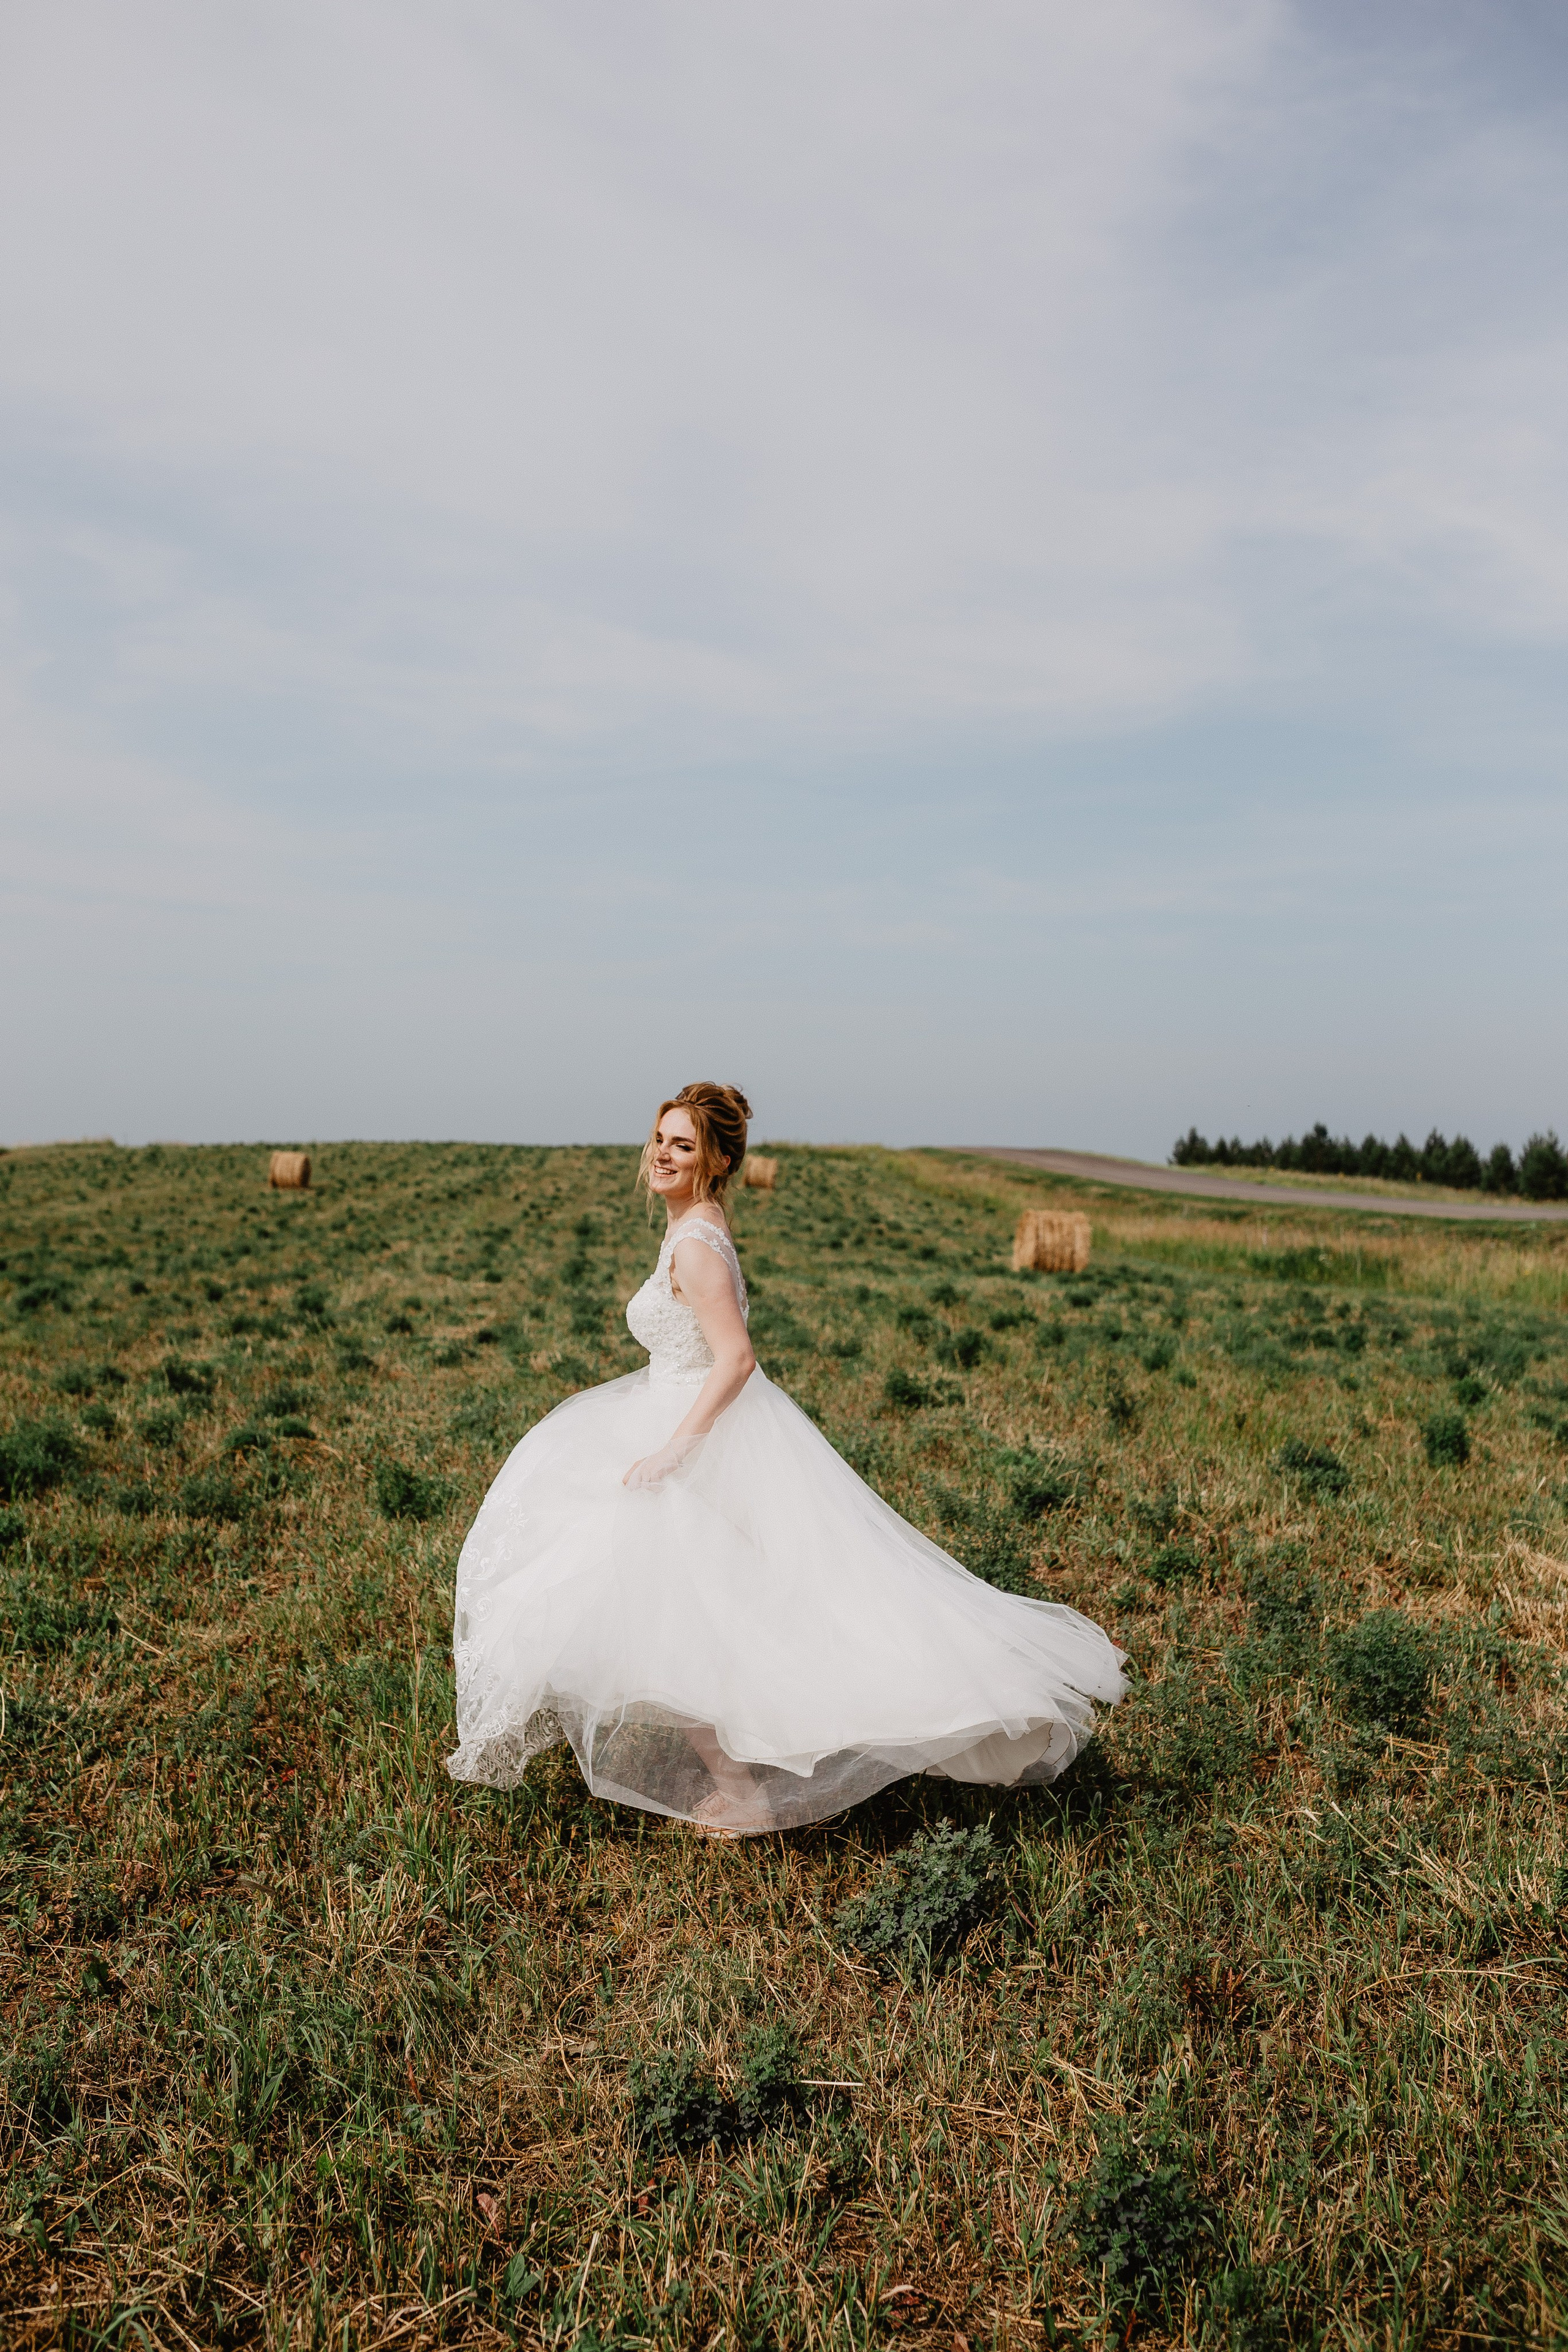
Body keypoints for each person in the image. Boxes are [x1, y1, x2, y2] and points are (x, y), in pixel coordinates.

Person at [447, 1082, 1126, 1834]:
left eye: (684, 1146)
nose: (663, 1155)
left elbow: (734, 1359)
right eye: (660, 1139)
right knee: (702, 1609)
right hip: (677, 1411)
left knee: (692, 1613)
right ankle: (744, 1775)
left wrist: (675, 1450)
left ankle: (745, 1788)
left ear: (717, 1161)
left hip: (692, 1429)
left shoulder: (697, 1245)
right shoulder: (698, 1227)